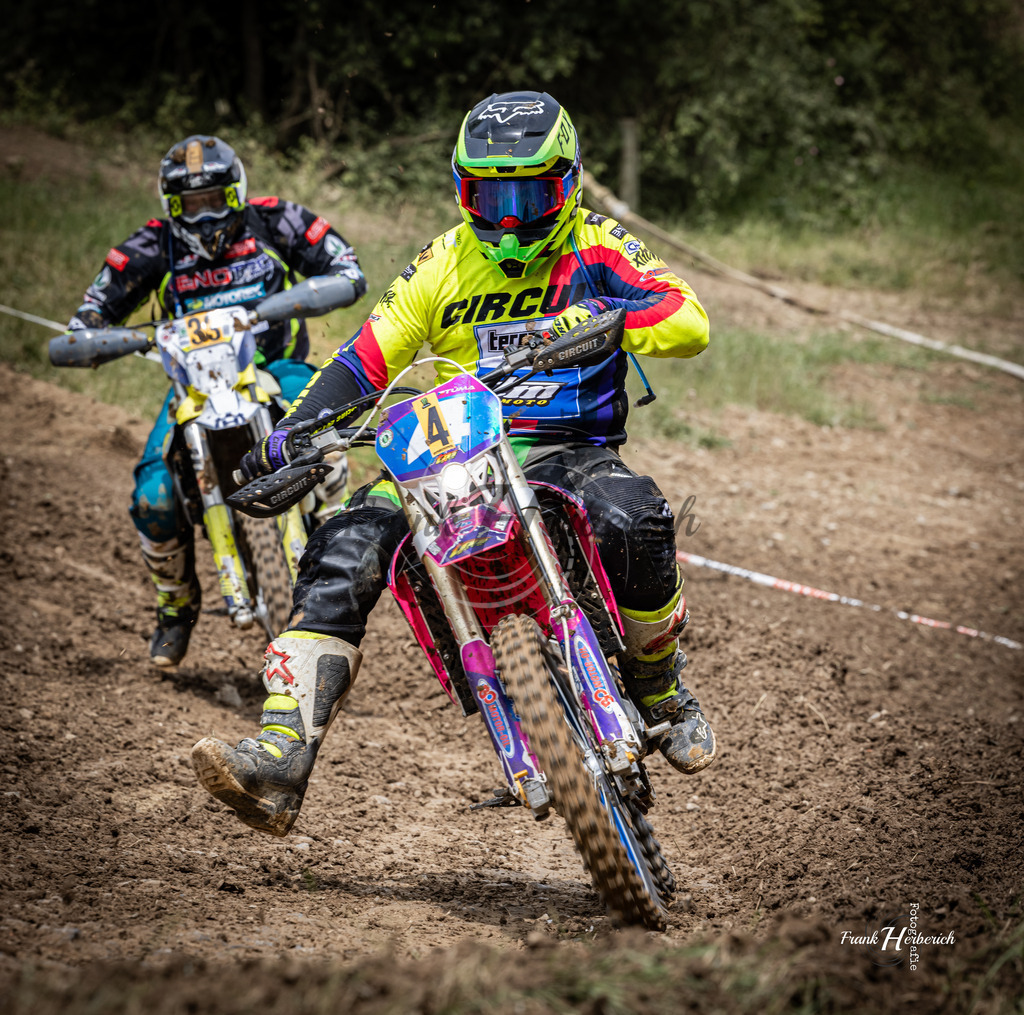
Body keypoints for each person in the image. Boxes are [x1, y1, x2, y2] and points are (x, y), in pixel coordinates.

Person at [192, 92, 716, 837]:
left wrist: (608, 320)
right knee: (343, 545)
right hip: (449, 452)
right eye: (487, 194)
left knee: (634, 517)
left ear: (565, 183)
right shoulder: (442, 261)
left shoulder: (598, 245)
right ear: (461, 189)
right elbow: (365, 359)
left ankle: (660, 687)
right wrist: (296, 432)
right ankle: (282, 754)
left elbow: (688, 318)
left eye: (527, 193)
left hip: (566, 446)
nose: (507, 218)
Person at [67, 134, 367, 667]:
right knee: (153, 498)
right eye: (190, 206)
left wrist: (285, 302)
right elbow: (88, 316)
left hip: (275, 366)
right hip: (194, 387)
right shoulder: (152, 245)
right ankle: (174, 608)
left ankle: (337, 527)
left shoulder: (277, 221)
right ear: (170, 206)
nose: (205, 218)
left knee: (329, 430)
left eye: (216, 201)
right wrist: (91, 333)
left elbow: (347, 270)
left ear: (238, 193)